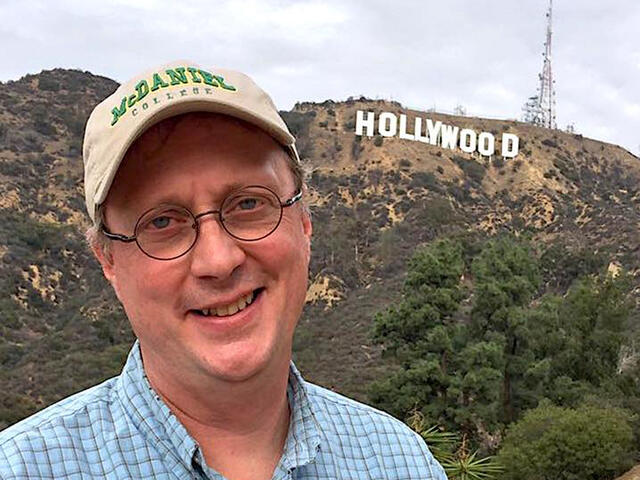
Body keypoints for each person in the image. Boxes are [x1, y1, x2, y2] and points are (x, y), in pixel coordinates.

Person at [0, 60, 447, 480]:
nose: (218, 260)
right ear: (109, 261)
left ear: (305, 222)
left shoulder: (400, 462)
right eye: (161, 222)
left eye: (249, 203)